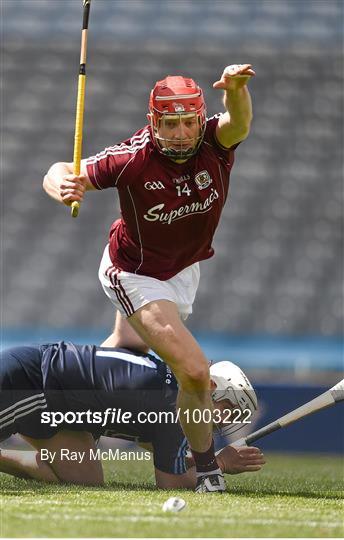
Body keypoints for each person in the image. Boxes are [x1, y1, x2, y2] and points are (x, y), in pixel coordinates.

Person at [43, 64, 255, 492]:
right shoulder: (132, 158)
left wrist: (235, 90)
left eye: (187, 122)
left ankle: (71, 423)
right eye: (169, 123)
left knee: (124, 351)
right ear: (153, 122)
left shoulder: (215, 142)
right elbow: (60, 169)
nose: (179, 133)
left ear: (200, 120)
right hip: (134, 272)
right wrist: (63, 186)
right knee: (193, 372)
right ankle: (207, 472)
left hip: (183, 269)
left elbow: (240, 121)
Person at [0, 341, 264, 490]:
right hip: (31, 383)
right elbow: (170, 482)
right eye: (227, 410)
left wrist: (211, 460)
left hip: (57, 406)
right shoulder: (173, 404)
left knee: (84, 478)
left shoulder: (174, 395)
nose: (223, 421)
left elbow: (159, 447)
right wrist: (222, 465)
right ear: (212, 387)